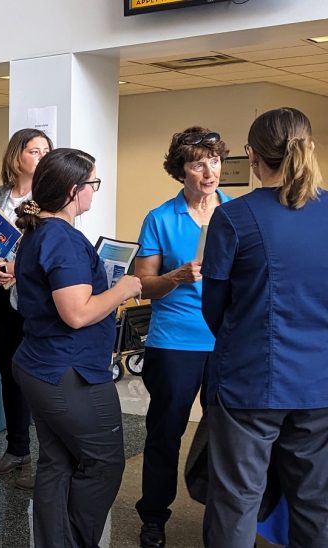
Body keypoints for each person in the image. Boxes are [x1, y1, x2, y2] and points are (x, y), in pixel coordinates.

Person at [201, 107, 328, 548]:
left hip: (250, 382)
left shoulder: (234, 217)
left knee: (237, 500)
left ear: (252, 156)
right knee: (315, 502)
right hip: (319, 385)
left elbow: (214, 308)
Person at [11, 148, 141, 546]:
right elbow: (77, 313)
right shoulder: (60, 238)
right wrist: (122, 289)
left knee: (58, 460)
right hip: (69, 372)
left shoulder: (39, 232)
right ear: (73, 191)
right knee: (104, 462)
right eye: (92, 185)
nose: (93, 193)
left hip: (41, 364)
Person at [133, 127, 230, 548]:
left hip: (226, 342)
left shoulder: (234, 212)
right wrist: (175, 277)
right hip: (175, 342)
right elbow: (142, 283)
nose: (209, 171)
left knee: (226, 437)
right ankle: (153, 517)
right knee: (165, 434)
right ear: (181, 171)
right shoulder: (160, 218)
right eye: (197, 163)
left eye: (214, 160)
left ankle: (224, 521)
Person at [0, 128, 52, 490]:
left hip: (32, 301)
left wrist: (19, 274)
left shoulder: (49, 198)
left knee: (36, 379)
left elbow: (52, 251)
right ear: (16, 156)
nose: (41, 156)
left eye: (45, 151)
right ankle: (17, 448)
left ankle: (49, 458)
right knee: (9, 375)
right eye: (34, 150)